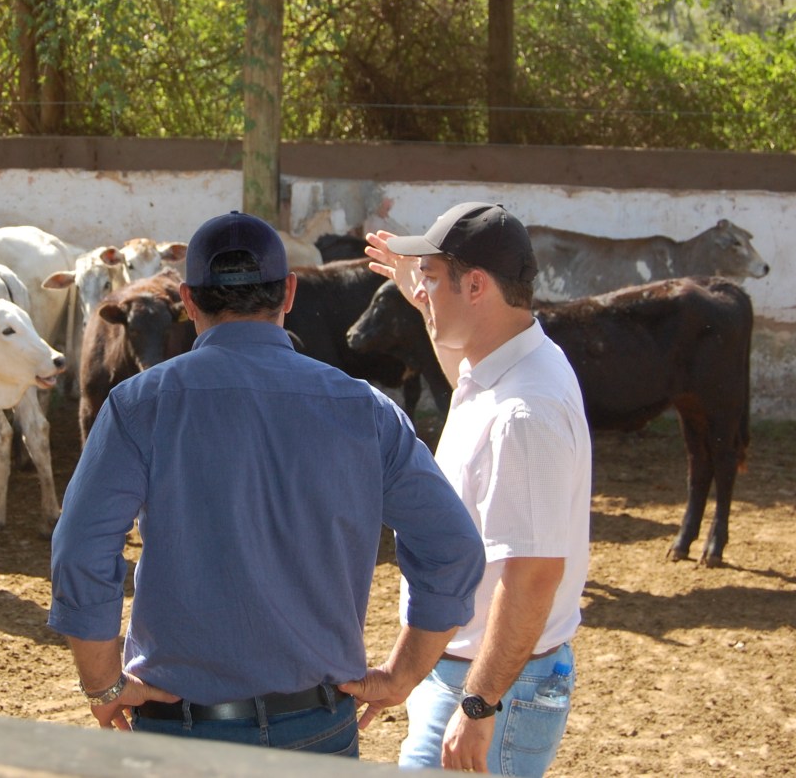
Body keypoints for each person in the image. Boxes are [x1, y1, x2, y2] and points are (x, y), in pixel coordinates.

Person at [48, 210, 485, 757]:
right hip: (317, 726)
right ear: (290, 293)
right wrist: (403, 673)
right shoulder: (364, 409)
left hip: (180, 730)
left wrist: (103, 683)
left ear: (187, 301)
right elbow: (454, 547)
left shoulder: (141, 405)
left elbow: (79, 549)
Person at [365, 201, 593, 776]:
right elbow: (462, 376)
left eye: (434, 278)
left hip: (497, 687)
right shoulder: (508, 363)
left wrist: (479, 703)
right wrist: (423, 298)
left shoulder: (524, 412)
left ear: (476, 285)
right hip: (481, 675)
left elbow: (534, 576)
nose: (422, 289)